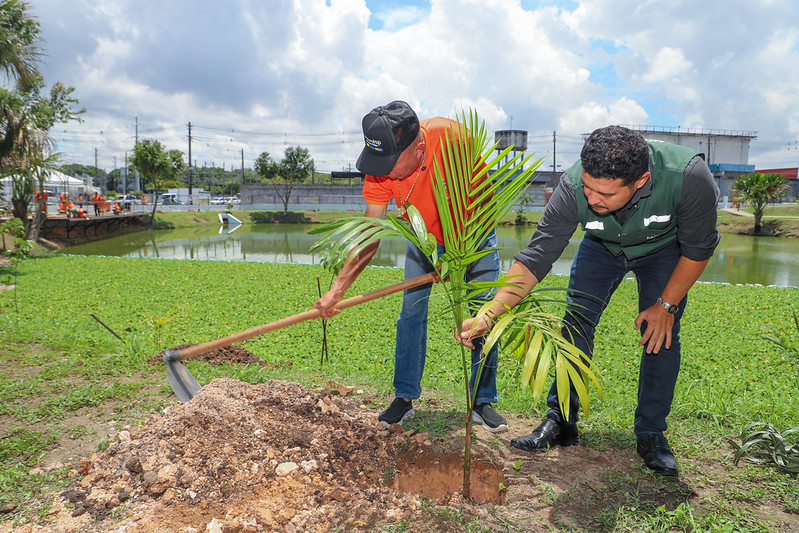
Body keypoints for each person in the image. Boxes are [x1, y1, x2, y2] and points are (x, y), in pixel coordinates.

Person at [458, 125, 720, 476]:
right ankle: (562, 420)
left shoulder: (688, 177)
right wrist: (491, 312)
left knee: (660, 335)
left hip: (664, 251)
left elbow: (699, 249)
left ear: (640, 181)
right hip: (601, 248)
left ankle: (651, 432)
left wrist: (666, 306)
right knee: (575, 327)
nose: (593, 199)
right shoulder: (570, 188)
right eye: (588, 187)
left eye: (605, 194)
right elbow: (536, 257)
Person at [314, 100, 508, 432]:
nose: (384, 172)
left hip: (473, 231)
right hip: (423, 237)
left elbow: (471, 204)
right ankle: (404, 397)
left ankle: (482, 400)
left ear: (419, 150)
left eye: (391, 163)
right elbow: (369, 235)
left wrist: (454, 263)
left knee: (482, 313)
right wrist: (336, 290)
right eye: (378, 162)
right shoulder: (379, 168)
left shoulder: (453, 140)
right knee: (411, 313)